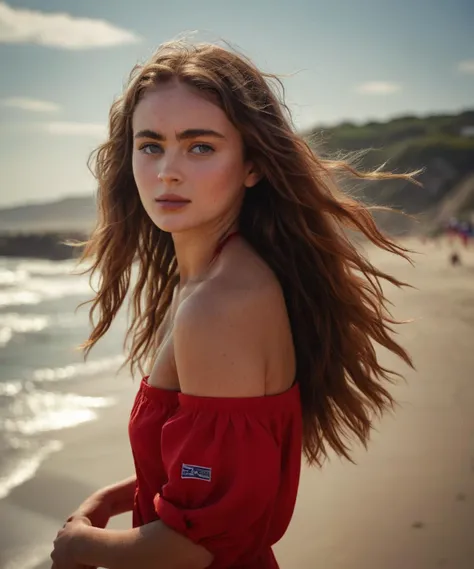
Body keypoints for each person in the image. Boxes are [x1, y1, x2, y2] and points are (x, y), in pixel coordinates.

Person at [50, 40, 415, 569]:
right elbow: (220, 473)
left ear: (252, 166)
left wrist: (81, 545)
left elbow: (199, 545)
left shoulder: (220, 305)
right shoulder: (218, 275)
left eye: (201, 147)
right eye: (150, 145)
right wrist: (112, 499)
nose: (167, 171)